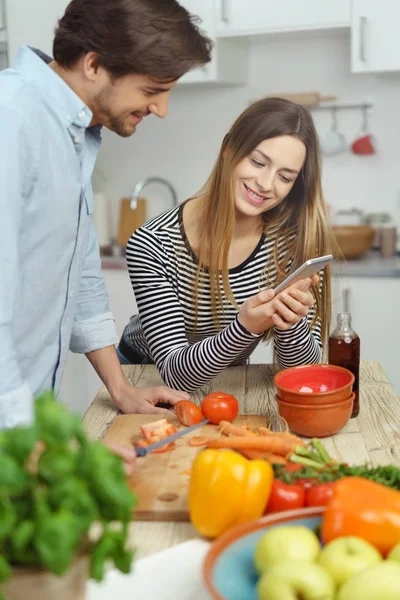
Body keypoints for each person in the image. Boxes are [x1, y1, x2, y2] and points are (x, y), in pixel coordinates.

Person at [0, 0, 213, 430]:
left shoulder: (73, 130)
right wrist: (28, 439)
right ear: (94, 65)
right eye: (152, 91)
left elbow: (78, 264)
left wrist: (120, 387)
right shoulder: (12, 119)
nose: (161, 109)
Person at [118, 97, 335, 392]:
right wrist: (244, 327)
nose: (266, 184)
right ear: (228, 149)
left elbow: (302, 374)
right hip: (143, 374)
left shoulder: (290, 242)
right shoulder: (153, 243)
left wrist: (291, 321)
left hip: (227, 375)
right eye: (258, 162)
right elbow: (176, 374)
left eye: (285, 177)